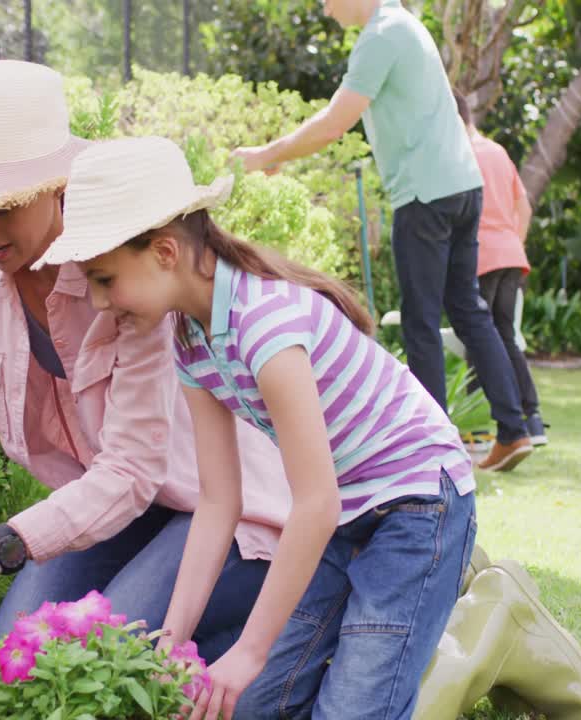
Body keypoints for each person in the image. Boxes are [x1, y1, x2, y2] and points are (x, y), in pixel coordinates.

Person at [0, 60, 291, 663]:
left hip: (219, 513)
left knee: (84, 657)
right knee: (12, 656)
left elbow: (131, 469)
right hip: (102, 513)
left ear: (56, 183)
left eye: (4, 203)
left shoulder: (121, 264)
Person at [35, 134, 477, 719]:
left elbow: (313, 502)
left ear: (165, 252)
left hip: (417, 507)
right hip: (343, 516)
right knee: (243, 707)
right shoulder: (191, 340)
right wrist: (173, 633)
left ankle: (447, 641)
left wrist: (249, 650)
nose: (97, 301)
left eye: (104, 278)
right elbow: (219, 500)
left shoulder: (266, 325)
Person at [231, 0, 533, 471]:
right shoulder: (407, 25)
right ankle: (515, 430)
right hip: (461, 186)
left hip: (425, 196)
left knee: (419, 321)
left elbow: (335, 123)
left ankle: (432, 450)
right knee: (469, 311)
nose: (327, 10)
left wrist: (265, 154)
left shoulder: (381, 35)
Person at [456, 90, 547, 446]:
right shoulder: (497, 151)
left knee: (479, 339)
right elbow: (523, 207)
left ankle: (482, 422)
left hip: (480, 256)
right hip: (511, 255)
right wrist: (514, 244)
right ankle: (532, 418)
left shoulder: (460, 154)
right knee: (504, 337)